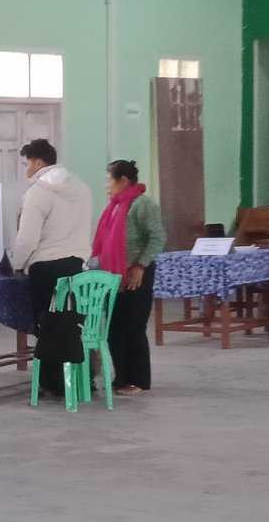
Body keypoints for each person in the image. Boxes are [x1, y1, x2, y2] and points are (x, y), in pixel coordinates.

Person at [10, 138, 93, 396]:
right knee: (70, 325)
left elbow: (27, 239)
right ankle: (79, 379)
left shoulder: (38, 193)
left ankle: (52, 382)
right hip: (77, 268)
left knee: (47, 326)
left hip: (46, 270)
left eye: (26, 164)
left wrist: (16, 264)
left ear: (37, 163)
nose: (26, 170)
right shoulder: (82, 189)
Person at [92, 160, 166, 396]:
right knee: (115, 329)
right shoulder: (114, 207)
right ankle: (121, 378)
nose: (107, 185)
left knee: (133, 327)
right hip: (114, 276)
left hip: (136, 274)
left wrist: (140, 266)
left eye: (109, 180)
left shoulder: (143, 205)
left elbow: (157, 237)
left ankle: (139, 380)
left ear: (123, 180)